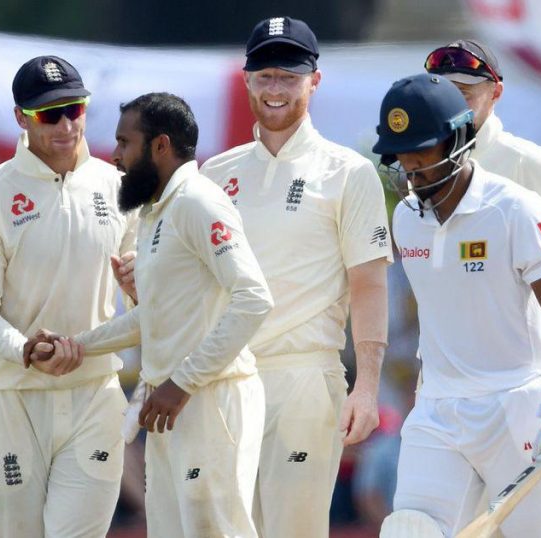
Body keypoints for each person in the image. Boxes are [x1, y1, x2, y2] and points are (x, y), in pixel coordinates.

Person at [31, 92, 274, 537]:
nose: (115, 155)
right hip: (170, 405)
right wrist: (74, 345)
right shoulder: (156, 212)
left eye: (125, 142)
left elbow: (254, 298)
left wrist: (182, 383)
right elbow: (154, 317)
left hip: (210, 401)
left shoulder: (199, 202)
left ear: (161, 146)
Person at [372, 73, 541, 536]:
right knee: (409, 529)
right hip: (437, 408)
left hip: (518, 406)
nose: (410, 167)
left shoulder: (514, 208)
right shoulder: (406, 218)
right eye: (400, 154)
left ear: (457, 140)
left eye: (421, 151)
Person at [198, 17, 392, 537]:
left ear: (314, 81)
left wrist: (367, 387)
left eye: (289, 76)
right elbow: (196, 283)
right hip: (226, 380)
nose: (276, 88)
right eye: (265, 76)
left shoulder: (347, 172)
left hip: (304, 375)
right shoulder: (215, 174)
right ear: (247, 80)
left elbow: (369, 284)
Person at [0, 55, 136, 537]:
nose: (64, 125)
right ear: (21, 118)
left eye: (73, 110)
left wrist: (140, 287)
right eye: (48, 114)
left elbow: (151, 300)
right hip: (12, 395)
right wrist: (25, 350)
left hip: (94, 391)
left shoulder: (120, 188)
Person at [425, 39, 541, 241]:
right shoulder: (422, 167)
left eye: (462, 92)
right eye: (441, 93)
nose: (449, 103)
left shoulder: (530, 163)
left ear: (495, 93)